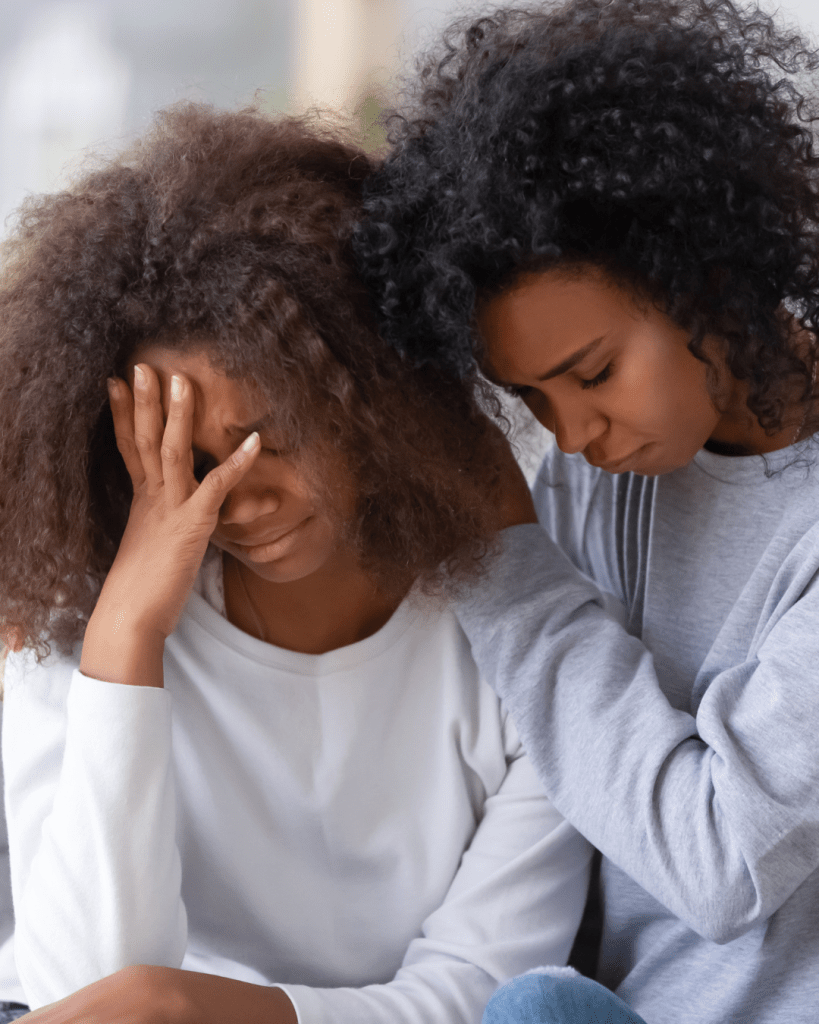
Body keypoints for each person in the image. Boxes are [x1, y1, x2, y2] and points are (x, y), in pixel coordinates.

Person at [0, 103, 593, 1024]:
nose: (239, 500)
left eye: (271, 440)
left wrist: (195, 1007)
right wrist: (126, 639)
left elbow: (485, 992)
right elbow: (83, 1000)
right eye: (189, 464)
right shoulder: (88, 623)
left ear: (371, 396)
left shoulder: (518, 643)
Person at [353, 0, 819, 1021]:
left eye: (594, 373)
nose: (569, 435)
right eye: (529, 397)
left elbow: (721, 863)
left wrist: (505, 555)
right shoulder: (604, 476)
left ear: (706, 274)